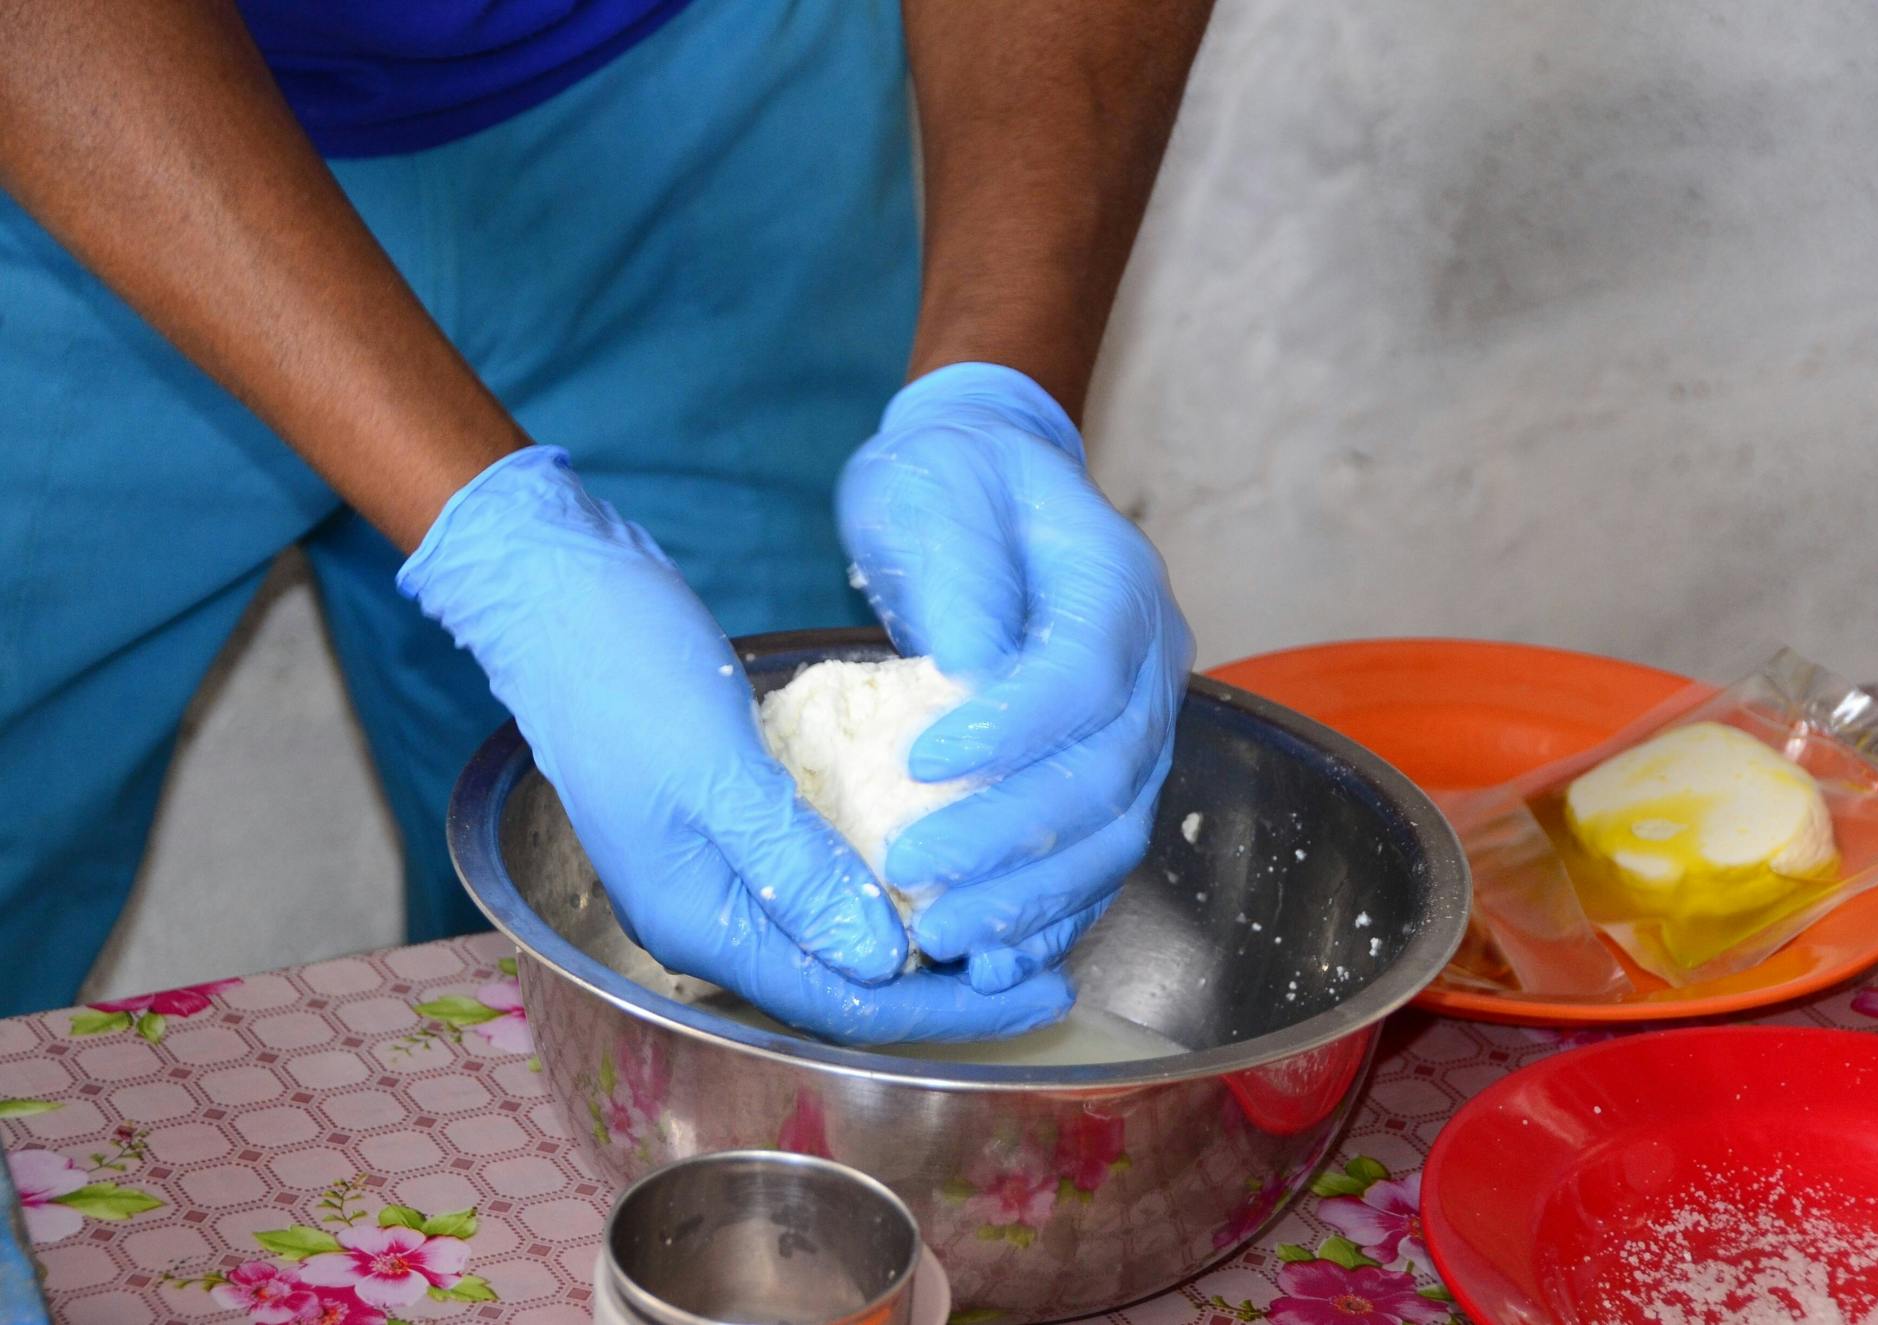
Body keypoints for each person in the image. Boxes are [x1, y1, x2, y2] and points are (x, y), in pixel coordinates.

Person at [0, 0, 1205, 1038]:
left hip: (690, 115)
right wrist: (504, 544)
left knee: (745, 936)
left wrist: (999, 385)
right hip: (87, 126)